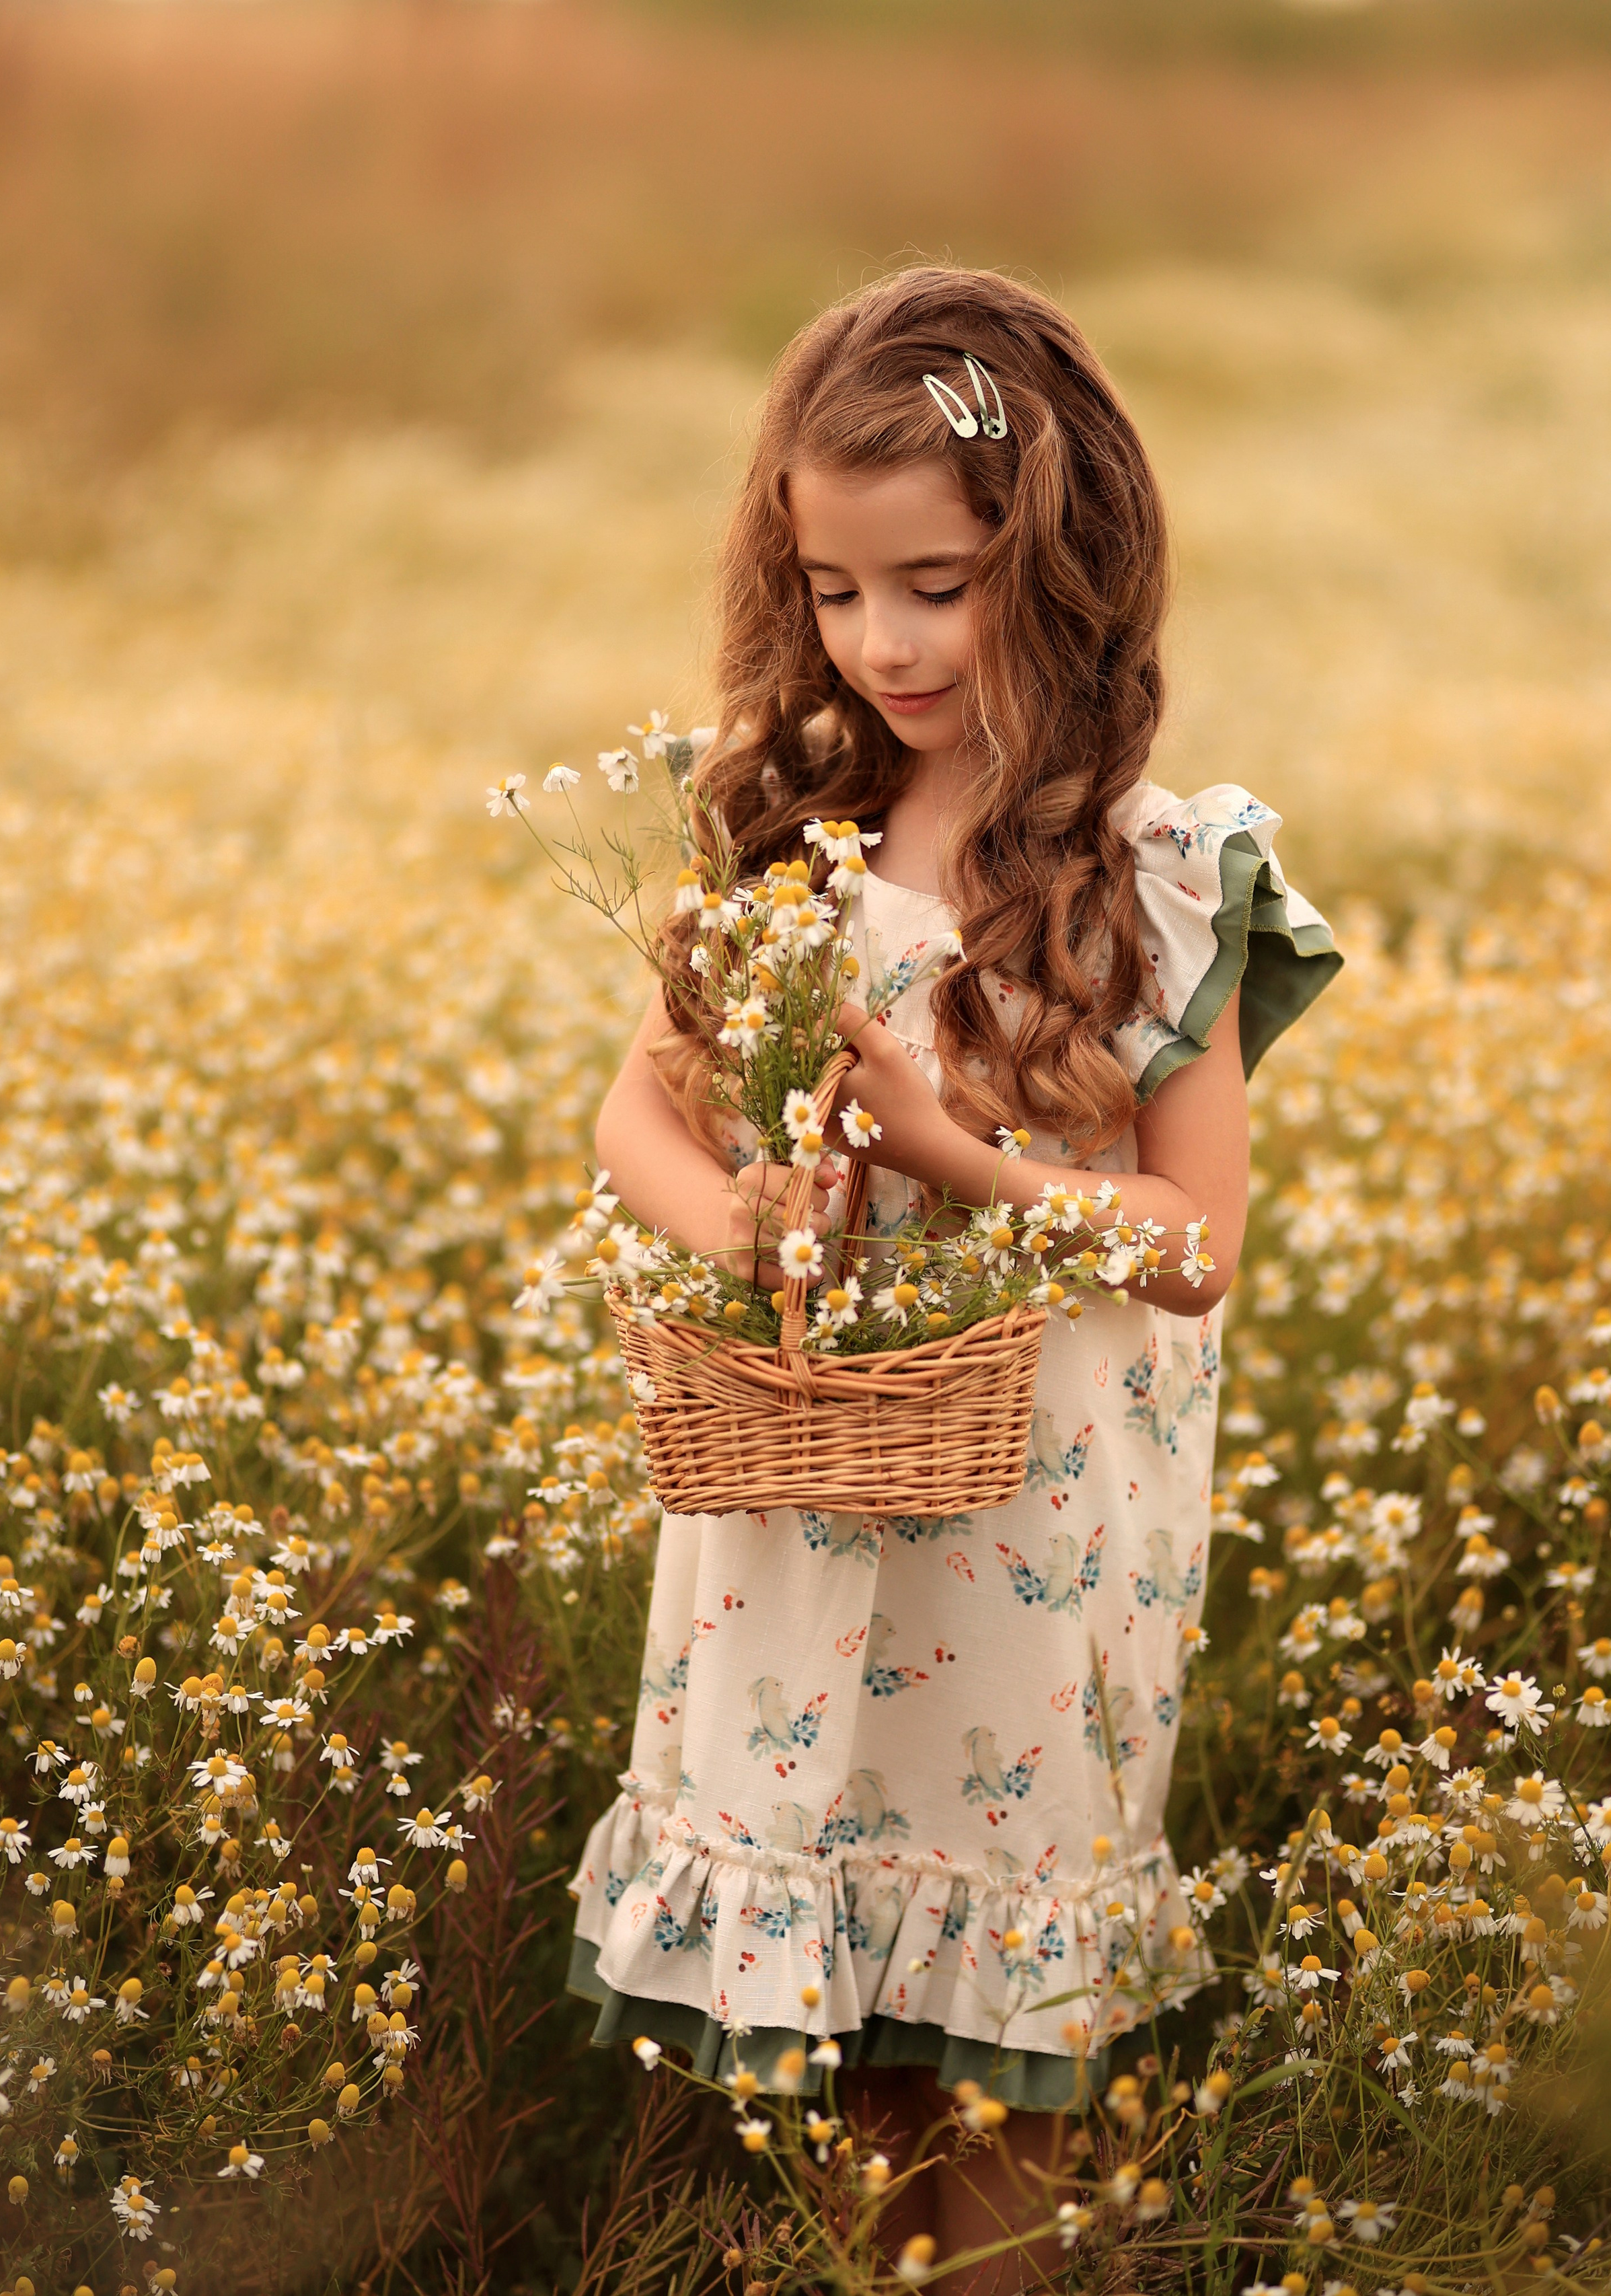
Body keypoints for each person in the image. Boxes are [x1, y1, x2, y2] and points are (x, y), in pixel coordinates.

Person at [565, 266, 1339, 2291]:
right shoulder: (791, 841)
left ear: (1060, 560)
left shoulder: (1170, 878)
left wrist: (953, 1160)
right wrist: (734, 1216)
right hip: (816, 1515)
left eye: (938, 580)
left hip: (1041, 1543)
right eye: (834, 589)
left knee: (1005, 2044)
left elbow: (1194, 1247)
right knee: (854, 2039)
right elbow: (634, 1125)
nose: (882, 641)